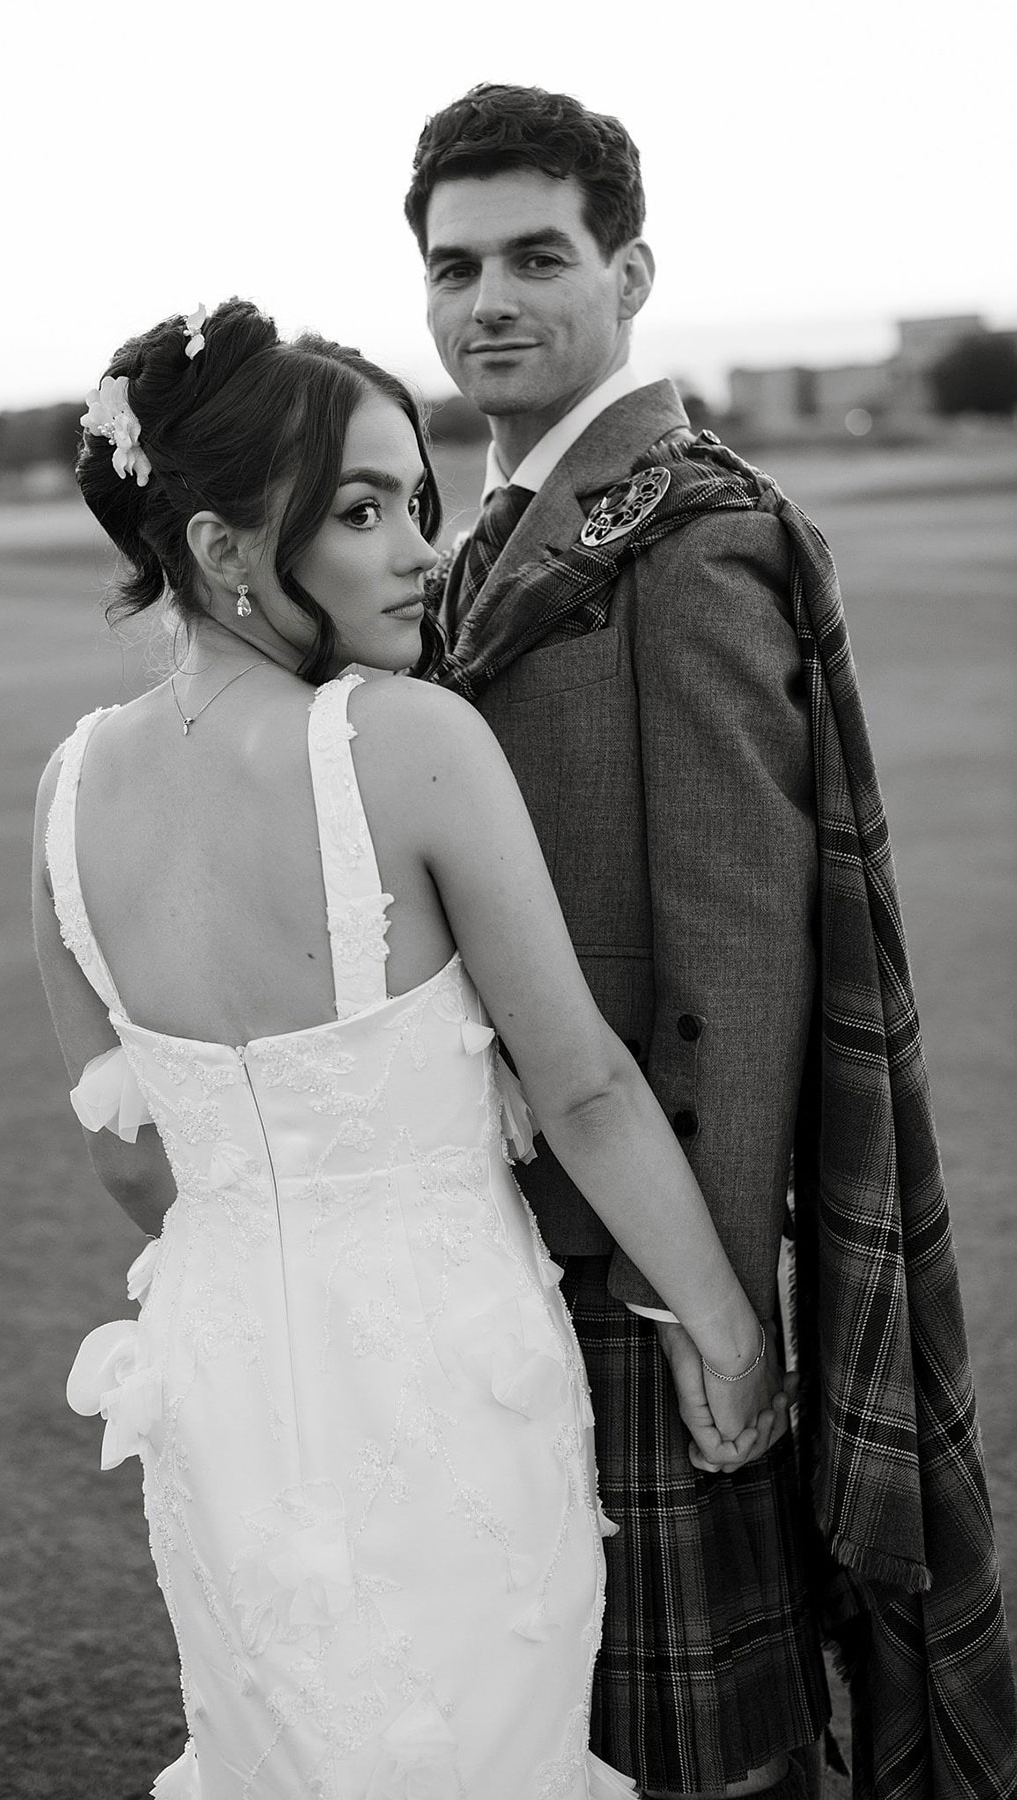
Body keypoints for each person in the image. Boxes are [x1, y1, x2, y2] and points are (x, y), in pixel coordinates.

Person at [33, 299, 788, 1800]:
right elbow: (581, 1083)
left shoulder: (65, 791)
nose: (420, 551)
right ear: (222, 551)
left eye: (417, 503)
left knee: (280, 1745)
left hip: (221, 1375)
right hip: (443, 1367)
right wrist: (726, 1323)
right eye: (363, 510)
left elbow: (130, 1162)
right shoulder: (406, 737)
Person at [405, 82, 1017, 1800]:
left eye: (539, 256)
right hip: (504, 1238)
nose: (491, 302)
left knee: (694, 1758)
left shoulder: (684, 544)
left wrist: (709, 1312)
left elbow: (740, 972)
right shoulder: (500, 525)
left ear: (633, 270)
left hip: (638, 1259)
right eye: (457, 268)